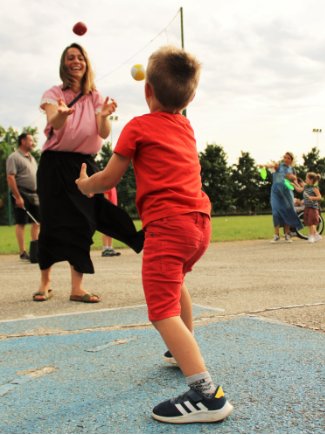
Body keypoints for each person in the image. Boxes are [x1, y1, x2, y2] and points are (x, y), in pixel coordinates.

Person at [75, 45, 233, 424]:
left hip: (168, 226)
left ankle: (206, 396)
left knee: (162, 312)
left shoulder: (138, 126)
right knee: (175, 284)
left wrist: (85, 185)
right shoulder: (186, 127)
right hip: (199, 224)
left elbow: (108, 179)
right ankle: (182, 350)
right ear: (190, 99)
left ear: (147, 91)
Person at [34, 43, 144, 303]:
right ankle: (45, 283)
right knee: (50, 222)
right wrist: (62, 114)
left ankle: (77, 287)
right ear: (64, 64)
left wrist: (104, 115)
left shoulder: (95, 96)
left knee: (84, 223)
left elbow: (103, 133)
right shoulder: (54, 93)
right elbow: (54, 122)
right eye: (70, 58)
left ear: (86, 64)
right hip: (54, 164)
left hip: (84, 164)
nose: (76, 61)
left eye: (80, 57)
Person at [6, 132, 40, 261]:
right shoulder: (14, 157)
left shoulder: (32, 158)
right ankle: (23, 252)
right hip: (21, 193)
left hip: (34, 194)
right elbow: (10, 177)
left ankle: (35, 249)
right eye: (31, 140)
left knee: (37, 221)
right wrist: (18, 197)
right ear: (23, 141)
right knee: (21, 222)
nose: (33, 143)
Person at [259, 153, 303, 243]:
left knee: (287, 212)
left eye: (288, 158)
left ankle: (287, 234)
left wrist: (293, 177)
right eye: (285, 157)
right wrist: (263, 165)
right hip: (276, 193)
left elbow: (295, 180)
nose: (286, 159)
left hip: (287, 193)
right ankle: (276, 235)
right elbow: (270, 165)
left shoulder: (292, 169)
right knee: (275, 212)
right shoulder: (278, 165)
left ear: (291, 160)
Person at [292, 173, 322, 243]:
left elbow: (319, 197)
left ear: (311, 180)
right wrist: (294, 185)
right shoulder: (306, 187)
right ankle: (316, 235)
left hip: (313, 207)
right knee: (308, 222)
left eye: (307, 179)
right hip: (307, 207)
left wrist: (312, 198)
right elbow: (300, 190)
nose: (305, 180)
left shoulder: (315, 188)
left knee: (310, 222)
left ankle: (311, 236)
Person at [101, 186, 121, 257]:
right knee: (106, 230)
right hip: (108, 211)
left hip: (113, 211)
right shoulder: (107, 187)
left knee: (112, 230)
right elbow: (106, 201)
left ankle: (110, 248)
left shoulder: (113, 187)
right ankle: (105, 249)